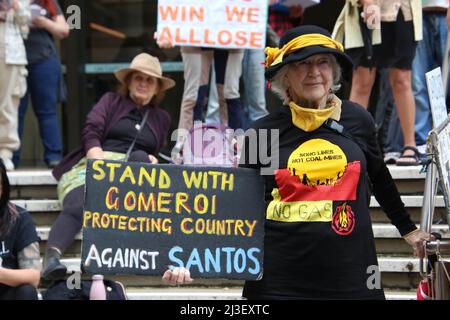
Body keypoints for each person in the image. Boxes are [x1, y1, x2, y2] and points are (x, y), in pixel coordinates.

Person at [239, 25, 433, 299]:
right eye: (302, 63)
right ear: (285, 76)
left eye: (323, 62)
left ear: (334, 72)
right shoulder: (262, 133)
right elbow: (242, 207)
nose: (314, 72)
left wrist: (409, 230)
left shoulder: (358, 120)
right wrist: (195, 257)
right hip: (279, 282)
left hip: (352, 276)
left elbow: (380, 178)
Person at [41, 53, 175, 280]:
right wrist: (100, 168)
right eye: (138, 78)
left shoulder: (162, 117)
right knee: (77, 203)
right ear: (129, 82)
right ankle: (51, 258)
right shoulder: (111, 101)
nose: (143, 83)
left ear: (157, 88)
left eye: (149, 80)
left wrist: (153, 160)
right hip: (99, 161)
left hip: (134, 175)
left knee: (142, 159)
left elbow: (155, 152)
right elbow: (91, 131)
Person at [333, 0, 423, 166]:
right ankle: (352, 145)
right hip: (367, 9)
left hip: (403, 10)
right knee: (362, 81)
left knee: (402, 79)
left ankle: (410, 145)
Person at [14, 0, 70, 169]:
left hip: (43, 60)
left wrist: (44, 22)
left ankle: (53, 157)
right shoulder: (9, 2)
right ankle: (10, 158)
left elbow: (64, 30)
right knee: (15, 111)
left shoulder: (47, 2)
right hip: (14, 60)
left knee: (47, 111)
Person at [0, 159, 41, 300]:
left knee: (27, 292)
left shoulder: (19, 217)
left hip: (6, 292)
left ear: (3, 187)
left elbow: (33, 276)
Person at [412, 0, 450, 152]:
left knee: (447, 81)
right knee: (417, 81)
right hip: (416, 13)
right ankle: (422, 140)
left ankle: (445, 139)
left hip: (444, 9)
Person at [0, 0, 30, 171]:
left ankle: (5, 152)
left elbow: (25, 19)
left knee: (8, 103)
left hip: (10, 51)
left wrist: (15, 5)